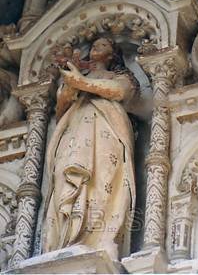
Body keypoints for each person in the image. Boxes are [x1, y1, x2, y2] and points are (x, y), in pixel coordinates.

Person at [42, 38, 139, 260]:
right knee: (65, 177)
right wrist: (70, 82)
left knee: (102, 179)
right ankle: (64, 239)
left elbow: (119, 91)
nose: (96, 46)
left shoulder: (119, 77)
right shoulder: (77, 78)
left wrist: (79, 82)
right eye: (94, 44)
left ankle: (97, 240)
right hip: (74, 132)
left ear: (112, 55)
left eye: (104, 45)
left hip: (106, 131)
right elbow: (61, 107)